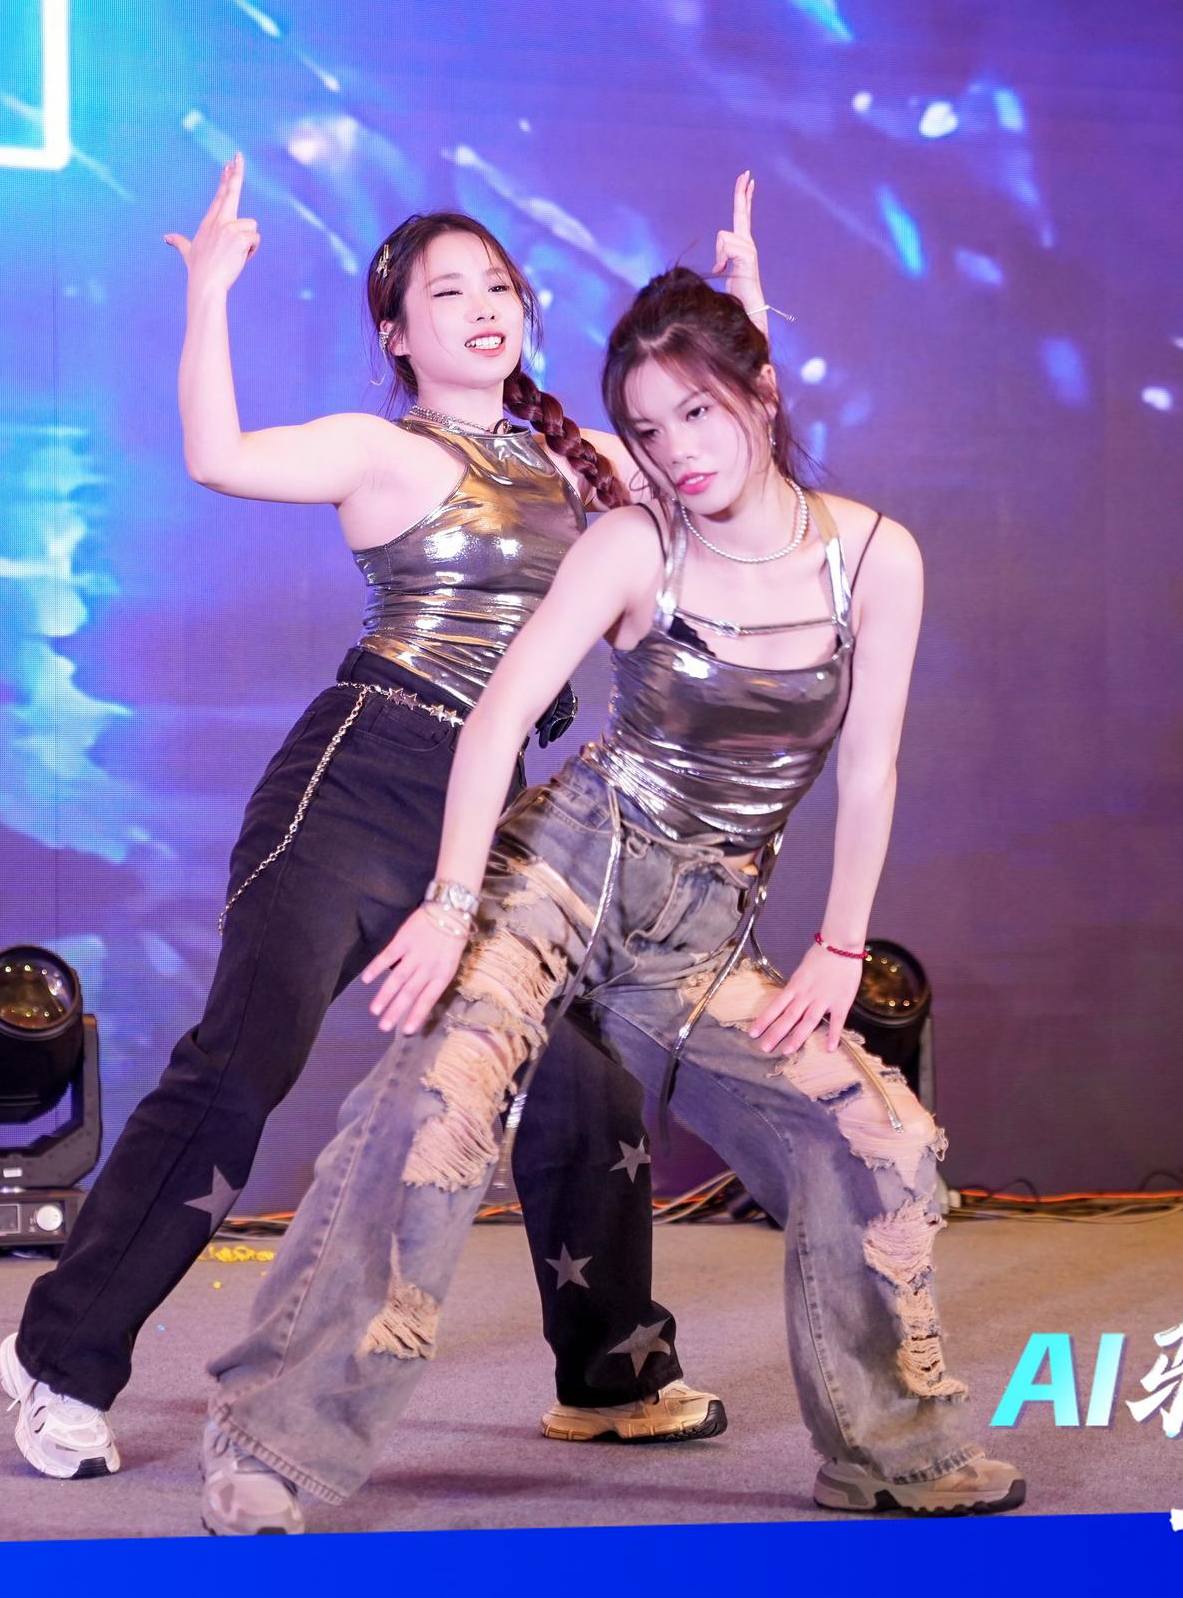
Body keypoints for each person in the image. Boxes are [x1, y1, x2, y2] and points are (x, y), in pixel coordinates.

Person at [196, 263, 1027, 1533]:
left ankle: (890, 1450)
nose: (677, 450)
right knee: (434, 1118)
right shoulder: (637, 541)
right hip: (559, 874)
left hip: (699, 930)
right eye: (646, 427)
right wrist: (451, 903)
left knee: (879, 1139)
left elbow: (871, 766)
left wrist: (841, 944)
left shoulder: (873, 555)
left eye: (699, 412)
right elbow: (499, 718)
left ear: (760, 393)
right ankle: (272, 1443)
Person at [0, 160, 770, 1480]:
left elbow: (723, 482)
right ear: (398, 333)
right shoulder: (385, 450)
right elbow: (218, 455)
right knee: (245, 1060)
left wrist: (742, 329)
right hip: (358, 783)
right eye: (447, 291)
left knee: (580, 1073)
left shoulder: (578, 462)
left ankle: (612, 1374)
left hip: (491, 806)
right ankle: (61, 1354)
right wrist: (207, 294)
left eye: (499, 285)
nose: (484, 306)